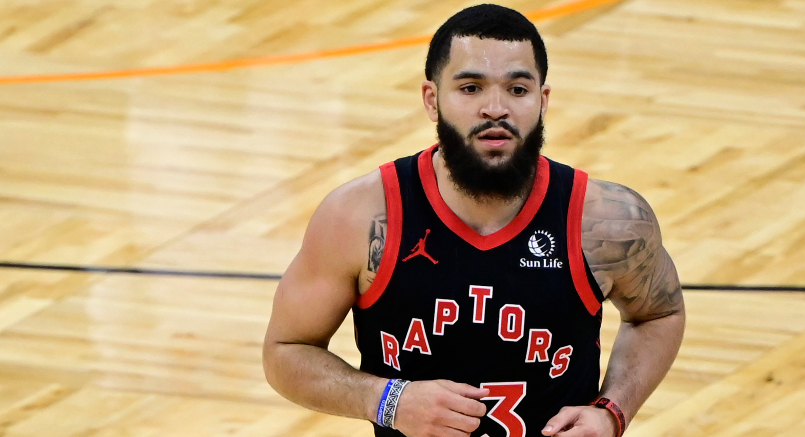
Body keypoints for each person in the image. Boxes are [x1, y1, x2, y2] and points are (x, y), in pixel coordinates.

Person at [262, 4, 685, 437]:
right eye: (470, 88)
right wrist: (387, 400)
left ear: (543, 99)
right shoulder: (362, 214)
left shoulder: (606, 218)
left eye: (518, 89)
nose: (495, 108)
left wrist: (611, 411)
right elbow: (286, 351)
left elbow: (659, 314)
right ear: (432, 99)